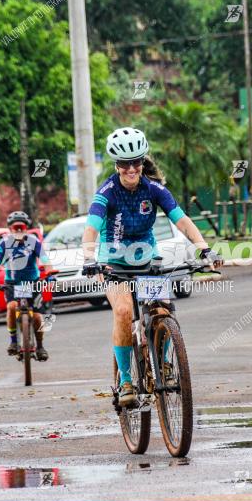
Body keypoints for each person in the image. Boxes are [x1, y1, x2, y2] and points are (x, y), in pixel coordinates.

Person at [80, 127, 223, 407]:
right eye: (124, 163)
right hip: (114, 262)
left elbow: (181, 220)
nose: (131, 169)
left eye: (136, 162)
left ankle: (166, 363)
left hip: (147, 258)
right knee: (122, 312)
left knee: (162, 307)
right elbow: (91, 228)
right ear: (116, 165)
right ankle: (125, 381)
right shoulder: (106, 192)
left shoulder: (154, 189)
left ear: (143, 161)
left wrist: (204, 247)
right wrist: (89, 259)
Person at [0, 211, 51, 361]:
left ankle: (40, 346)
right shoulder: (4, 243)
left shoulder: (34, 241)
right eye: (15, 228)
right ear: (10, 229)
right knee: (11, 307)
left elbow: (45, 260)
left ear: (27, 228)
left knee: (37, 317)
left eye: (21, 227)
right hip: (12, 283)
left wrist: (50, 274)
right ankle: (14, 342)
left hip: (32, 282)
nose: (18, 230)